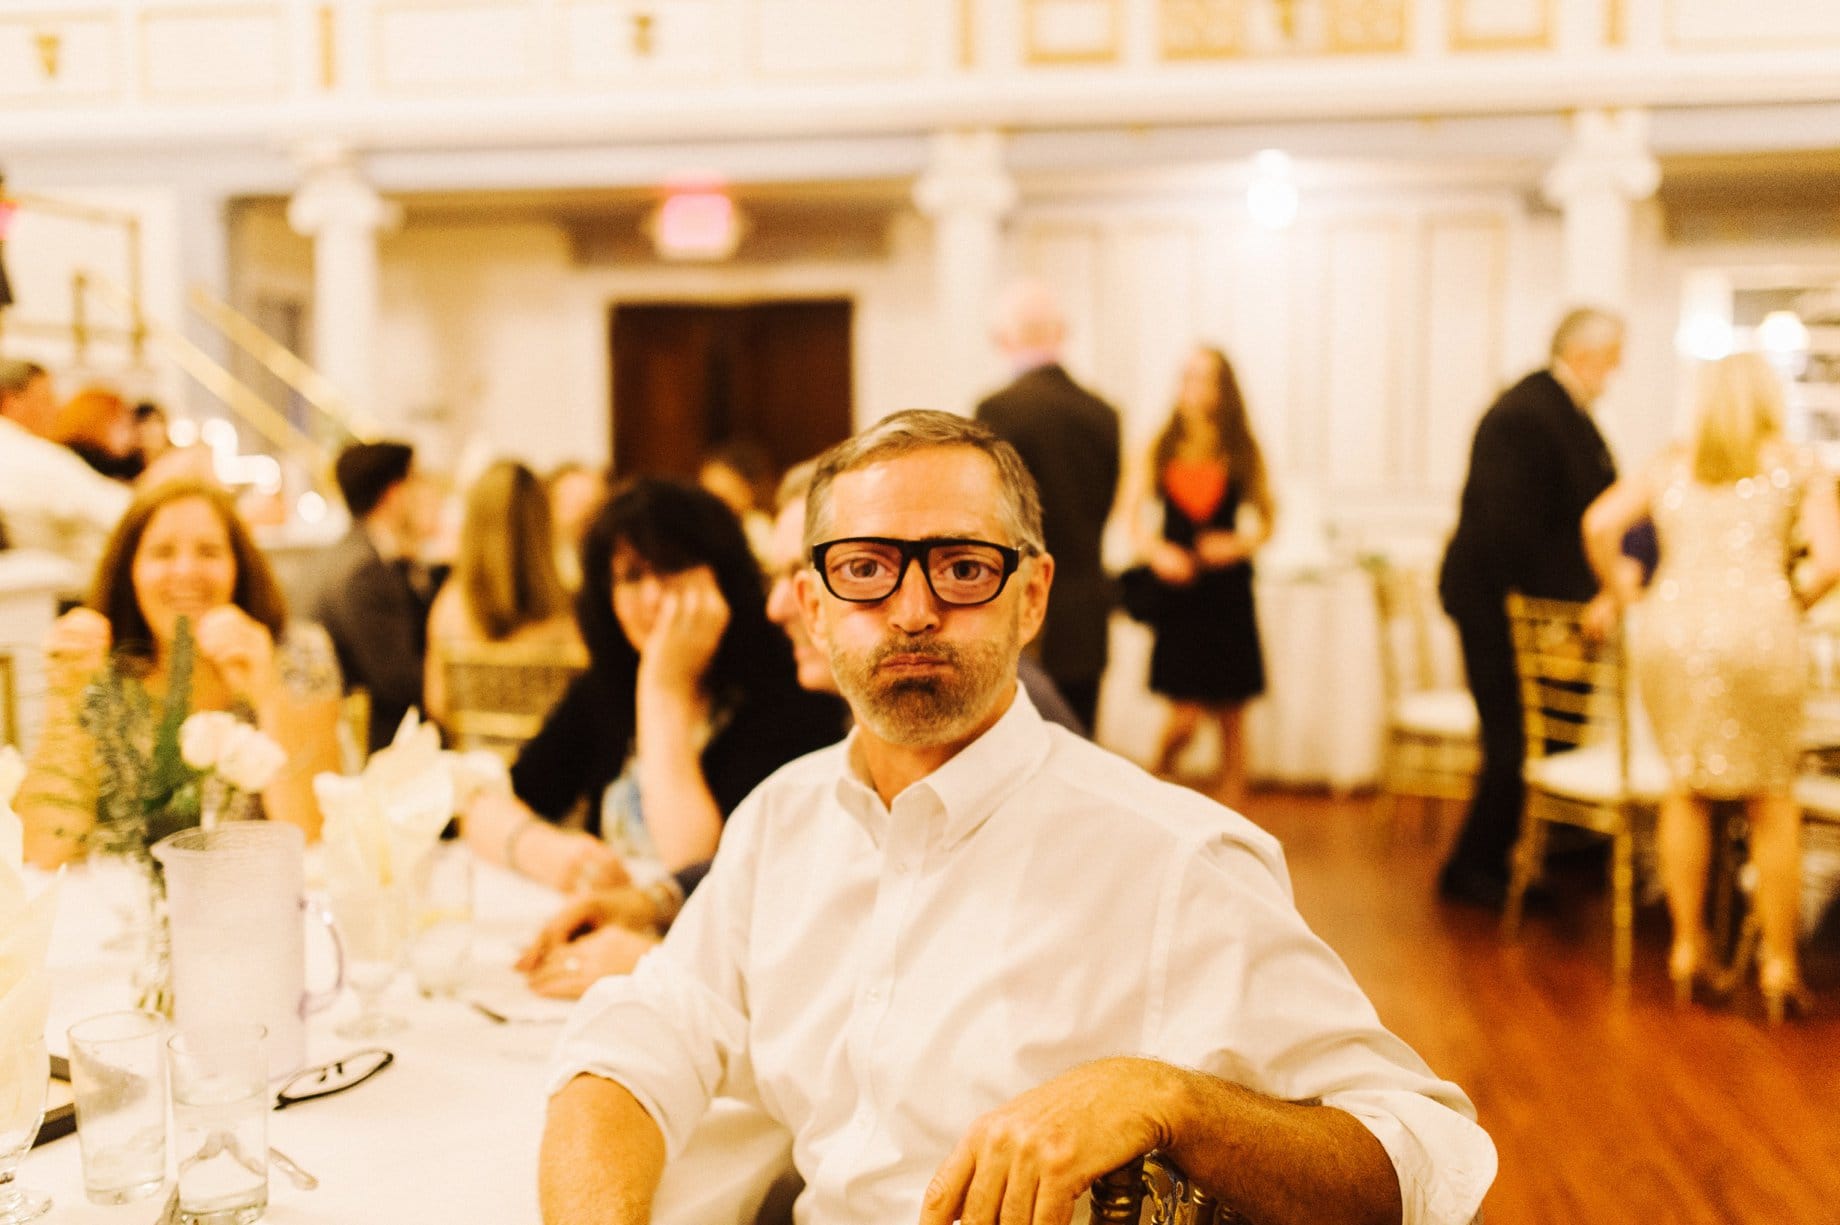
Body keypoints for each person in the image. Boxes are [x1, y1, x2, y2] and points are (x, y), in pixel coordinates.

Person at [538, 410, 1494, 1225]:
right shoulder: (781, 823)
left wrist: (1171, 1098)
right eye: (867, 568)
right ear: (812, 604)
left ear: (1031, 596)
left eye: (961, 567)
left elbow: (1425, 1155)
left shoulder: (1170, 860)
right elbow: (639, 1040)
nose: (913, 610)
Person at [464, 478, 843, 982]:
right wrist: (551, 853)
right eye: (631, 576)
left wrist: (665, 690)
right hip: (611, 943)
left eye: (674, 568)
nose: (653, 597)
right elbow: (487, 804)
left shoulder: (795, 692)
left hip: (701, 964)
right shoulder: (607, 689)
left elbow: (700, 868)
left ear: (724, 576)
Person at [1583, 352, 1840, 1023]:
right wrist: (1797, 596)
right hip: (1761, 629)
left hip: (1673, 631)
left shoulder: (1672, 460)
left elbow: (1599, 524)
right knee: (1771, 797)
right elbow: (1832, 558)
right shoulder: (1798, 462)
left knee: (1686, 788)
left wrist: (1622, 589)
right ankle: (1779, 965)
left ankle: (1688, 948)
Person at [16, 479, 344, 865]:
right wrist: (69, 699)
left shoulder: (296, 654)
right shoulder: (103, 671)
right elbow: (42, 851)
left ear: (239, 566)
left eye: (209, 552)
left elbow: (313, 836)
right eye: (162, 553)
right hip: (123, 912)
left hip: (256, 900)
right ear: (130, 571)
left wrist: (268, 693)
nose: (186, 571)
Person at [1436, 307, 1625, 910]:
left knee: (1533, 738)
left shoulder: (1558, 411)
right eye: (1613, 359)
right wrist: (1574, 602)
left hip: (1519, 602)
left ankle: (1545, 852)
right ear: (1586, 353)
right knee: (1512, 740)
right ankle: (1474, 868)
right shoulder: (1528, 413)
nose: (1615, 373)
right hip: (1498, 603)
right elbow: (1512, 529)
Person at [1126, 345, 1273, 806]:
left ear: (1223, 388)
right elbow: (1132, 519)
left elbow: (1268, 519)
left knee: (1232, 716)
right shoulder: (1160, 445)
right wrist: (1158, 552)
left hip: (1227, 591)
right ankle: (1149, 791)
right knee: (1183, 718)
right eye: (1187, 377)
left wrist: (1237, 544)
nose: (1194, 388)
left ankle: (1235, 812)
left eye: (1205, 378)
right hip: (1181, 593)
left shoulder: (1242, 448)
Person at [976, 280, 1121, 730]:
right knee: (1081, 741)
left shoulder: (998, 410)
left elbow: (990, 510)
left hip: (1023, 605)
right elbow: (1103, 504)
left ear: (1006, 338)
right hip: (1087, 602)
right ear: (1061, 333)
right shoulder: (1102, 412)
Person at [423, 459, 582, 727]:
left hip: (473, 764)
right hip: (553, 765)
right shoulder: (570, 618)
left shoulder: (448, 608)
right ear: (542, 522)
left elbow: (437, 705)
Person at [309, 440, 440, 755]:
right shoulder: (365, 572)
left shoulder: (344, 555)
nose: (429, 493)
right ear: (396, 494)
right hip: (371, 750)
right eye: (418, 480)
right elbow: (399, 682)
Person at [0, 358, 132, 569]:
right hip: (68, 588)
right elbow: (127, 514)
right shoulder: (35, 459)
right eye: (46, 399)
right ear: (12, 401)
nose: (57, 409)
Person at [547, 462, 606, 592]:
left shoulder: (606, 557)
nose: (584, 513)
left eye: (592, 504)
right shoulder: (540, 563)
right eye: (575, 502)